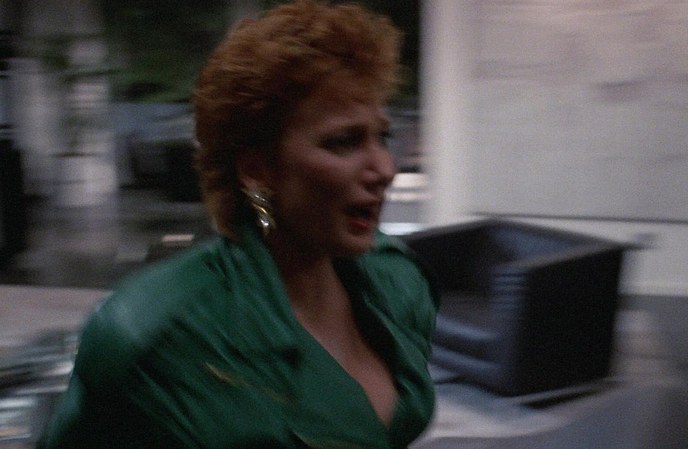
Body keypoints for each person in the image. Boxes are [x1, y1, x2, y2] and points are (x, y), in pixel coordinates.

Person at [38, 1, 438, 448]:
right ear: (257, 170)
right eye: (344, 141)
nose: (385, 168)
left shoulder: (399, 282)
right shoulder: (155, 336)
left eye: (382, 136)